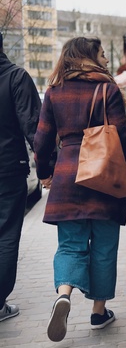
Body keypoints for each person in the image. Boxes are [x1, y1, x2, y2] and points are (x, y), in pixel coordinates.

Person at [33, 37, 126, 342]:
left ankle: (64, 294)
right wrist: (122, 165)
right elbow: (122, 136)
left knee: (69, 245)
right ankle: (98, 312)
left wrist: (46, 173)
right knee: (104, 247)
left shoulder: (54, 90)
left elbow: (42, 140)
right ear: (89, 56)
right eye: (102, 55)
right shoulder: (108, 87)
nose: (105, 60)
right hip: (103, 174)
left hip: (67, 177)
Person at [0, 32, 42, 322]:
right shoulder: (16, 77)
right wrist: (49, 168)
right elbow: (33, 126)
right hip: (7, 170)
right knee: (5, 235)